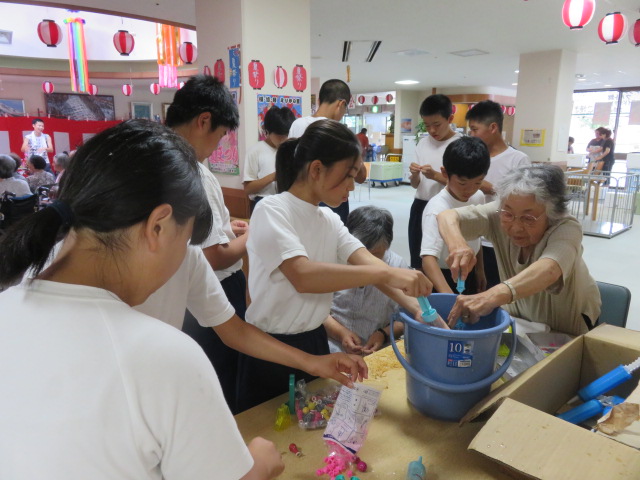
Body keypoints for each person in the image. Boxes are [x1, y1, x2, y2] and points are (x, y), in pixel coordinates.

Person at [0, 120, 283, 480]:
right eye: (185, 242)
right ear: (159, 227)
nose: (184, 257)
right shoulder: (163, 358)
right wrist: (258, 466)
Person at [149, 75, 366, 415]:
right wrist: (252, 236)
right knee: (226, 387)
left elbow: (240, 328)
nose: (350, 186)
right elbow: (221, 259)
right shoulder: (199, 178)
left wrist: (231, 230)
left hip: (261, 321)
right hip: (221, 303)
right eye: (222, 135)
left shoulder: (324, 219)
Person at [238, 119, 436, 411]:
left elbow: (371, 268)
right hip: (270, 348)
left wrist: (422, 311)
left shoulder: (329, 220)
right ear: (317, 169)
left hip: (314, 341)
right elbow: (303, 275)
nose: (351, 187)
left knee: (310, 430)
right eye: (347, 175)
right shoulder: (272, 210)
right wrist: (389, 271)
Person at [437, 164, 601, 337]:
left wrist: (490, 296)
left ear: (552, 213)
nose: (516, 228)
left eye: (528, 218)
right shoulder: (500, 212)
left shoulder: (567, 227)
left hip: (565, 328)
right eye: (508, 215)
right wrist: (458, 245)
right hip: (520, 321)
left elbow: (549, 269)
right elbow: (446, 216)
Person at [325, 206, 410, 355]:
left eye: (376, 254)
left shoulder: (398, 267)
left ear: (387, 245)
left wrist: (383, 334)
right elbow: (317, 313)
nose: (366, 262)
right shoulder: (332, 260)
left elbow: (407, 318)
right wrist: (341, 333)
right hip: (331, 348)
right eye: (359, 253)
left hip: (377, 353)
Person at [465, 99, 531, 289]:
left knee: (500, 290)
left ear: (493, 127)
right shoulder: (474, 158)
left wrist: (490, 188)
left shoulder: (518, 159)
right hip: (474, 239)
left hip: (502, 242)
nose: (471, 134)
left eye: (475, 129)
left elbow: (525, 200)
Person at [288, 79, 366, 224]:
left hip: (300, 198)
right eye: (345, 109)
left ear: (319, 100)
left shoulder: (297, 124)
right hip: (332, 196)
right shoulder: (340, 132)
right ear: (341, 104)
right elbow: (360, 177)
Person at [420, 136, 490, 294]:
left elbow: (476, 237)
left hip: (469, 271)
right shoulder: (436, 208)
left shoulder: (478, 197)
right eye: (462, 183)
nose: (470, 190)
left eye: (478, 182)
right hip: (442, 276)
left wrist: (480, 270)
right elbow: (428, 259)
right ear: (445, 173)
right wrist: (449, 296)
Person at [408, 94, 462, 269]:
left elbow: (464, 183)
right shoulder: (422, 144)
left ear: (450, 119)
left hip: (448, 208)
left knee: (444, 260)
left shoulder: (460, 144)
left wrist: (436, 176)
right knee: (418, 259)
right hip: (420, 205)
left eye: (437, 124)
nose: (432, 130)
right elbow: (415, 185)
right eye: (427, 125)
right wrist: (415, 175)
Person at [243, 106, 296, 214]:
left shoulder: (293, 149)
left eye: (287, 134)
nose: (284, 139)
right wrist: (274, 176)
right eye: (279, 136)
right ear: (267, 131)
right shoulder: (255, 151)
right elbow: (248, 188)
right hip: (263, 203)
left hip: (289, 202)